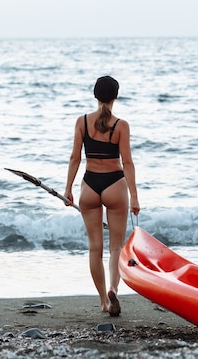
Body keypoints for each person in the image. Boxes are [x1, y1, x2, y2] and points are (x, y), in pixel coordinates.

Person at [64, 75, 140, 317]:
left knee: (94, 248)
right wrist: (135, 197)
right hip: (115, 186)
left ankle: (103, 302)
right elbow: (127, 162)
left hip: (89, 186)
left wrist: (68, 189)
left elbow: (75, 157)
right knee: (116, 246)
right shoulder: (121, 126)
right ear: (115, 97)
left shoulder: (82, 122)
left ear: (95, 96)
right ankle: (113, 288)